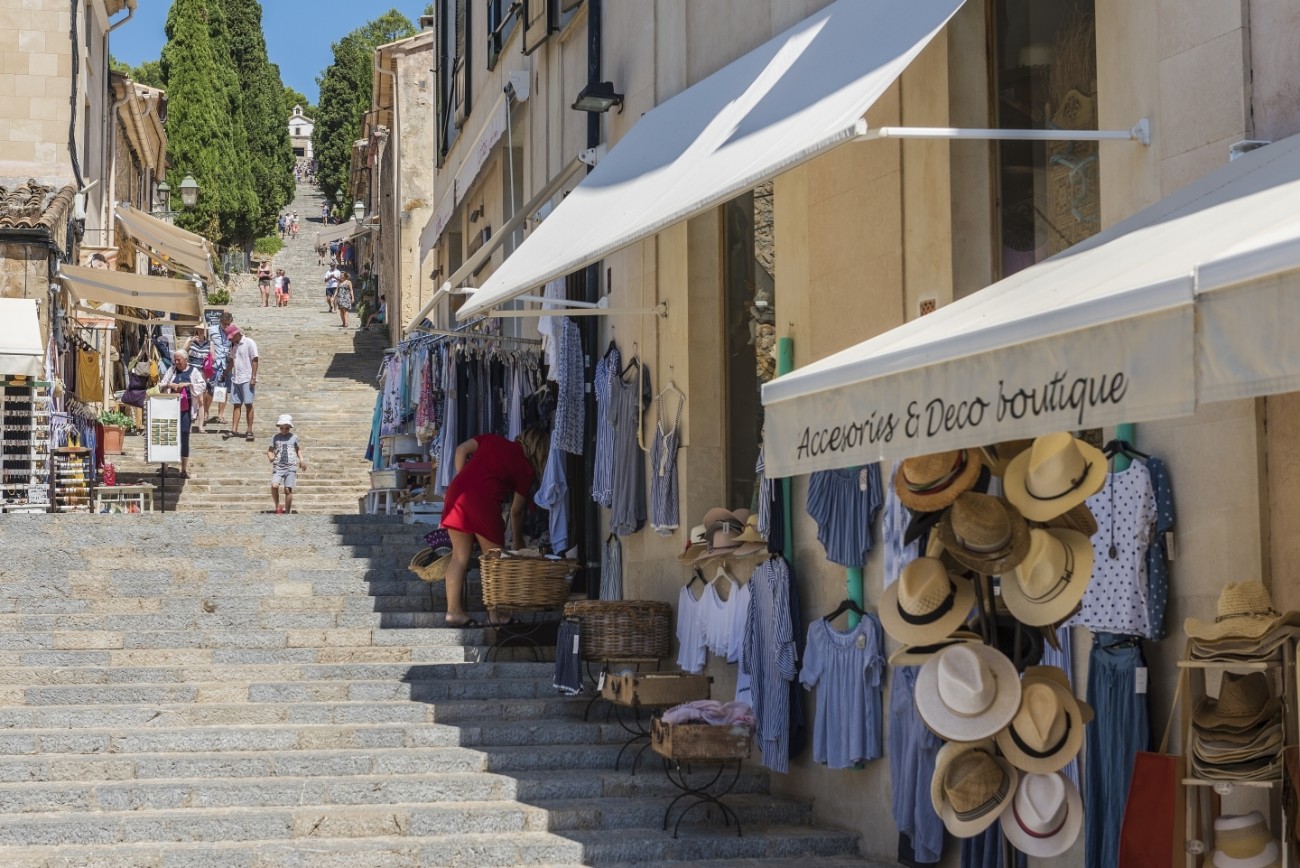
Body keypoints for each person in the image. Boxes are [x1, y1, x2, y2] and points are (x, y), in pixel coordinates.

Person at [440, 427, 550, 627]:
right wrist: (518, 540)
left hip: (456, 492)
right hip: (483, 502)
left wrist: (465, 477)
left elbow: (460, 450)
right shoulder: (526, 469)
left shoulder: (492, 439)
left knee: (459, 557)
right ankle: (496, 614)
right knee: (494, 560)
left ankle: (453, 612)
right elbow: (516, 512)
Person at [158, 350, 204, 479]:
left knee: (184, 435)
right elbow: (161, 384)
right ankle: (165, 468)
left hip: (185, 409)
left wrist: (189, 385)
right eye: (175, 360)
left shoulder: (193, 371)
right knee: (168, 435)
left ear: (185, 360)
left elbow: (202, 385)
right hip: (170, 408)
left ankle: (183, 469)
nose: (176, 362)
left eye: (179, 360)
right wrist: (169, 385)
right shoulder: (172, 370)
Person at [223, 326, 259, 442]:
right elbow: (232, 361)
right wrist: (226, 373)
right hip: (236, 378)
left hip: (247, 378)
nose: (230, 340)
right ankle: (234, 429)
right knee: (236, 404)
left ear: (236, 334)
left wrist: (253, 377)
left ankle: (249, 430)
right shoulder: (233, 346)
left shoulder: (249, 342)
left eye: (231, 337)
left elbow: (255, 359)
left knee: (248, 404)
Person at [267, 414, 306, 514]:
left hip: (290, 466)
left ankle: (287, 512)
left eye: (286, 428)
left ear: (290, 427)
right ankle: (277, 505)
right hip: (278, 466)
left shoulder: (294, 437)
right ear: (279, 427)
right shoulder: (275, 437)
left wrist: (302, 460)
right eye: (282, 428)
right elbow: (270, 450)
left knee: (288, 489)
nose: (284, 430)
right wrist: (271, 457)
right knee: (274, 485)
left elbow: (298, 449)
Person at [182, 324, 214, 433]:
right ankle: (189, 423)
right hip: (190, 372)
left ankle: (200, 426)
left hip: (202, 373)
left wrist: (208, 359)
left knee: (201, 400)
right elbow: (182, 352)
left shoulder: (209, 343)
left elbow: (213, 358)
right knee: (189, 398)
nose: (200, 332)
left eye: (202, 330)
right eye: (199, 330)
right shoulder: (191, 341)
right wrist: (190, 341)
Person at [208, 311, 233, 430]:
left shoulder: (233, 332)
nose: (226, 326)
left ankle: (220, 415)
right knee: (210, 390)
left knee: (223, 390)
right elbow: (207, 342)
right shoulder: (212, 330)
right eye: (224, 324)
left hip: (226, 365)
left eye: (228, 324)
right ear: (220, 322)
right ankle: (206, 413)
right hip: (215, 364)